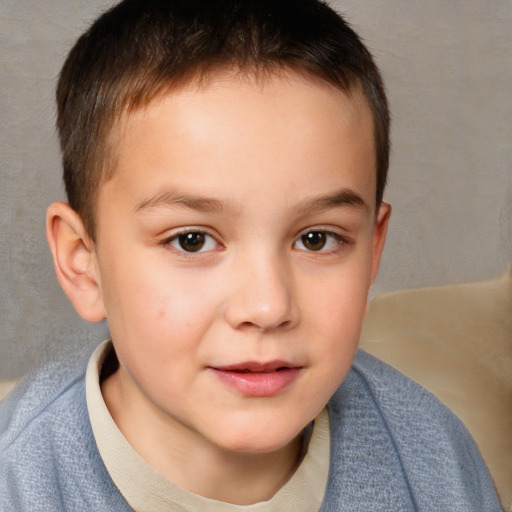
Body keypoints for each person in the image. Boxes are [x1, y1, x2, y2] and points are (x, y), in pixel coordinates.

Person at [0, 0, 502, 510]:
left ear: (372, 253)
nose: (267, 307)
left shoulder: (433, 464)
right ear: (84, 263)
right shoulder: (18, 485)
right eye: (191, 240)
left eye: (317, 239)